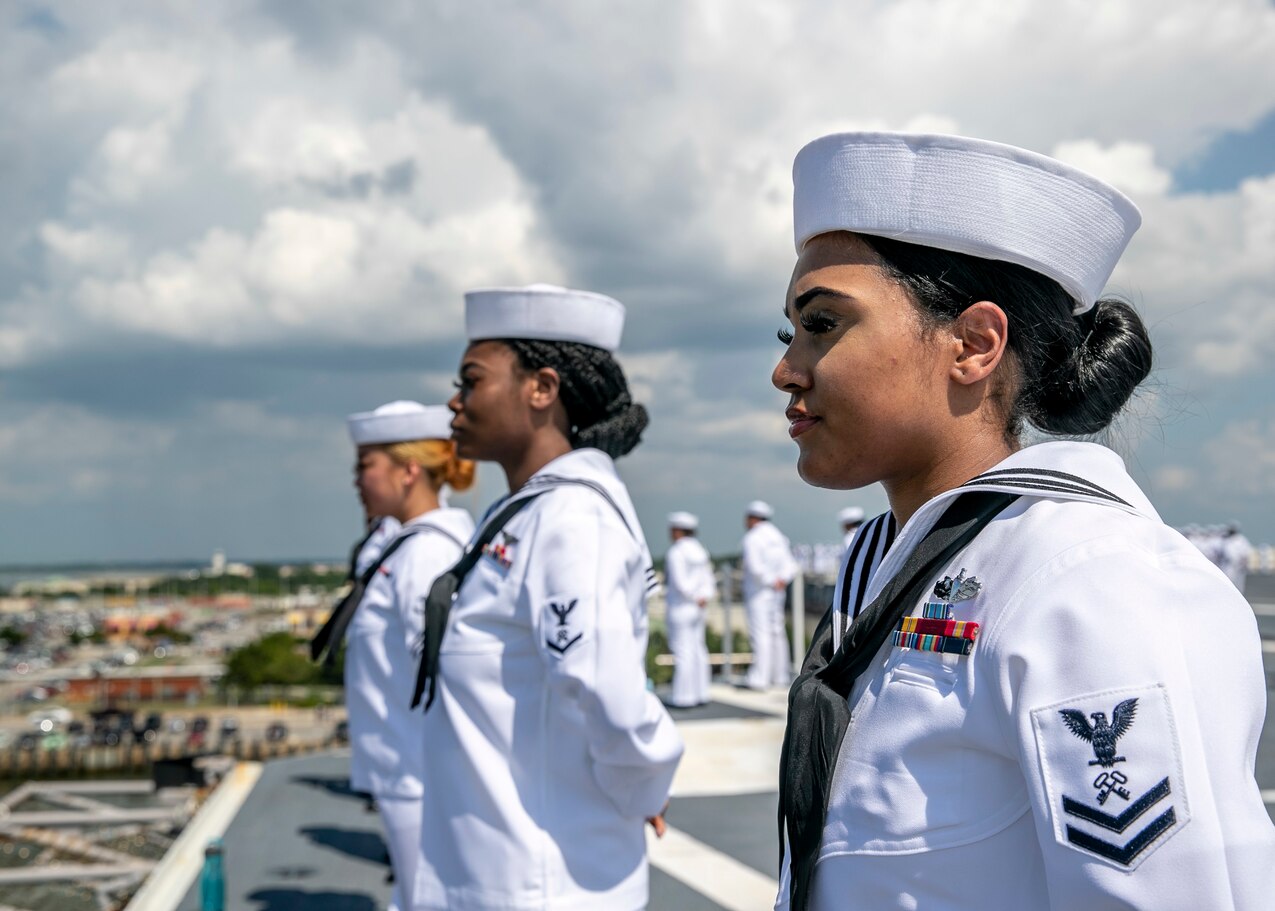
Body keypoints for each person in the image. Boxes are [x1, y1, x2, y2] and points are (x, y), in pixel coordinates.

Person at [773, 131, 1275, 910]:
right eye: (791, 333)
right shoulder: (892, 560)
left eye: (823, 325)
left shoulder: (1088, 582)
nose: (786, 370)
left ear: (973, 344)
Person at [412, 284, 683, 911]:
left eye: (471, 381)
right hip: (488, 871)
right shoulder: (520, 513)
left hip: (547, 882)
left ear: (542, 389)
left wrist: (643, 787)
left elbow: (606, 692)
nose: (454, 401)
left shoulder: (571, 519)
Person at [339, 401, 475, 911]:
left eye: (366, 465)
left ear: (408, 470)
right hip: (402, 767)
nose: (357, 480)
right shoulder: (409, 546)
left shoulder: (425, 553)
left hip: (417, 772)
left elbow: (446, 674)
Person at [742, 500, 798, 689]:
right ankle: (779, 675)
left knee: (760, 634)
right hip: (778, 591)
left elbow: (755, 568)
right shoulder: (778, 536)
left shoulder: (753, 538)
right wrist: (780, 580)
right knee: (777, 632)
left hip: (759, 592)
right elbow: (791, 565)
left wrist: (770, 580)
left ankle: (760, 677)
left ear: (752, 518)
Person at [664, 511, 718, 708]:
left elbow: (679, 583)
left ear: (678, 531)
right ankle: (701, 693)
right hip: (698, 607)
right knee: (698, 649)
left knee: (683, 652)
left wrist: (694, 596)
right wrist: (702, 597)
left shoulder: (676, 552)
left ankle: (683, 696)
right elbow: (709, 581)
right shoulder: (700, 551)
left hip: (681, 607)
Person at [1221, 522, 1254, 595]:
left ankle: (1238, 597)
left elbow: (1247, 550)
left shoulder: (1241, 539)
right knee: (1228, 579)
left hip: (1239, 564)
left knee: (1239, 582)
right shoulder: (1227, 539)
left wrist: (1244, 560)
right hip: (1229, 564)